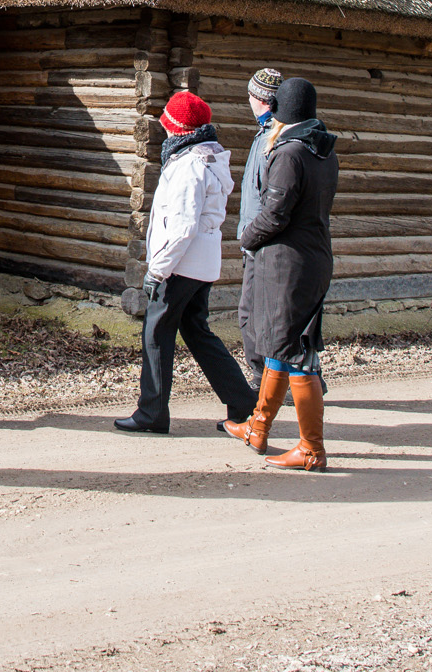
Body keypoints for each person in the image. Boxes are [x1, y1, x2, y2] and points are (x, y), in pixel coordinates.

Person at [114, 91, 258, 435]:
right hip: (200, 264)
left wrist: (157, 270)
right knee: (197, 332)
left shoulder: (190, 164)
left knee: (156, 333)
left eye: (167, 123)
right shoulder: (206, 156)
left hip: (180, 265)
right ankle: (242, 404)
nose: (164, 129)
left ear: (177, 128)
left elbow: (181, 225)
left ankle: (151, 413)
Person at [223, 77, 338, 471]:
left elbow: (275, 214)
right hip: (310, 258)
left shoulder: (290, 153)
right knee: (279, 344)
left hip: (289, 264)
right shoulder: (322, 151)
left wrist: (247, 238)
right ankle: (258, 426)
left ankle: (311, 448)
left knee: (295, 353)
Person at [236, 69, 284, 380]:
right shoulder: (264, 133)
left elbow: (271, 199)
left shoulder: (274, 138)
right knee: (260, 313)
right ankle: (289, 377)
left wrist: (250, 236)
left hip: (262, 240)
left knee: (253, 314)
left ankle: (267, 378)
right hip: (257, 237)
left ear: (259, 99)